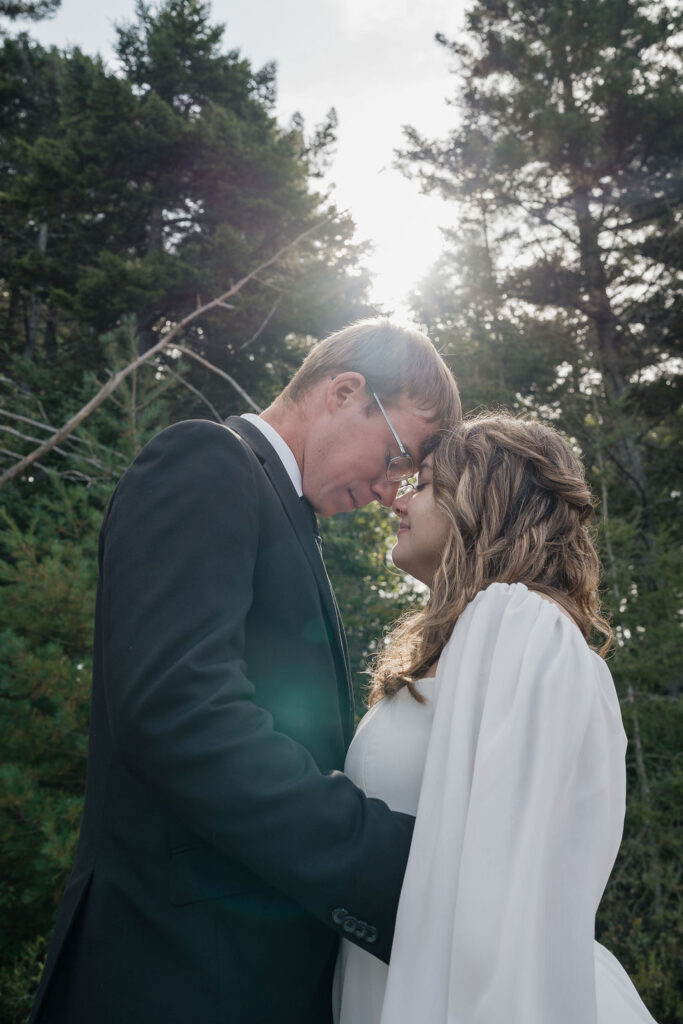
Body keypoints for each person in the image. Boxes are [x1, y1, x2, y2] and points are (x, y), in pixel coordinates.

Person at [29, 319, 461, 1024]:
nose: (391, 490)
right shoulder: (207, 461)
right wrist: (390, 863)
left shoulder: (284, 512)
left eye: (405, 474)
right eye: (393, 455)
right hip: (170, 975)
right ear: (343, 391)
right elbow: (180, 714)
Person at [334, 414, 657, 1024]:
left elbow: (501, 907)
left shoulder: (522, 626)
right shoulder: (472, 640)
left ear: (484, 502)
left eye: (424, 483)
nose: (398, 499)